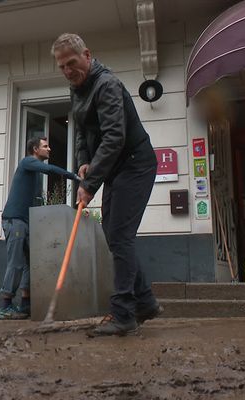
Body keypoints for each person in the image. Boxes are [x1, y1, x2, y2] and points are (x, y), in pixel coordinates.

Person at [52, 33, 163, 336]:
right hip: (115, 168)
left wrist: (90, 184)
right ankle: (146, 303)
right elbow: (80, 131)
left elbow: (115, 137)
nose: (67, 70)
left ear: (86, 55)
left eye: (71, 63)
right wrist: (83, 162)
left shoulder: (107, 85)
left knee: (119, 235)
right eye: (61, 66)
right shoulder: (77, 88)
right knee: (113, 234)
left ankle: (124, 313)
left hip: (135, 164)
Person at [0, 136, 80, 319]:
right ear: (35, 149)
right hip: (15, 220)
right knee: (16, 263)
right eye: (45, 146)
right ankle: (5, 306)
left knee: (30, 264)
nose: (49, 149)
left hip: (27, 221)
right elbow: (50, 169)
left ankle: (25, 304)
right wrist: (75, 177)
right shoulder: (28, 162)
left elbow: (37, 202)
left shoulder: (34, 175)